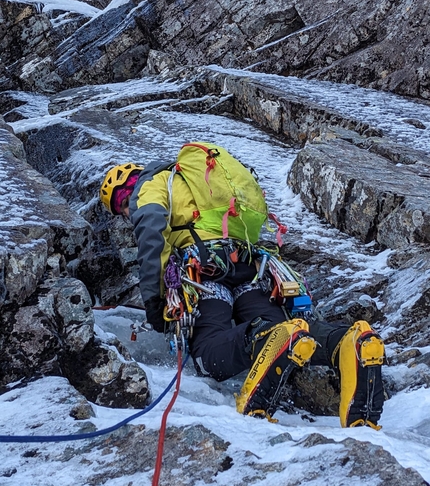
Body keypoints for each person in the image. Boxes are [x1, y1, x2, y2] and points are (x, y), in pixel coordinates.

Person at [100, 155, 385, 429]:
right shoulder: (190, 180)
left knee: (207, 352)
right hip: (251, 264)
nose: (127, 210)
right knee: (287, 331)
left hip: (205, 271)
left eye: (123, 201)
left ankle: (264, 338)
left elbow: (151, 234)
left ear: (132, 184)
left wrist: (153, 299)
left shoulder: (150, 186)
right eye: (121, 209)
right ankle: (345, 341)